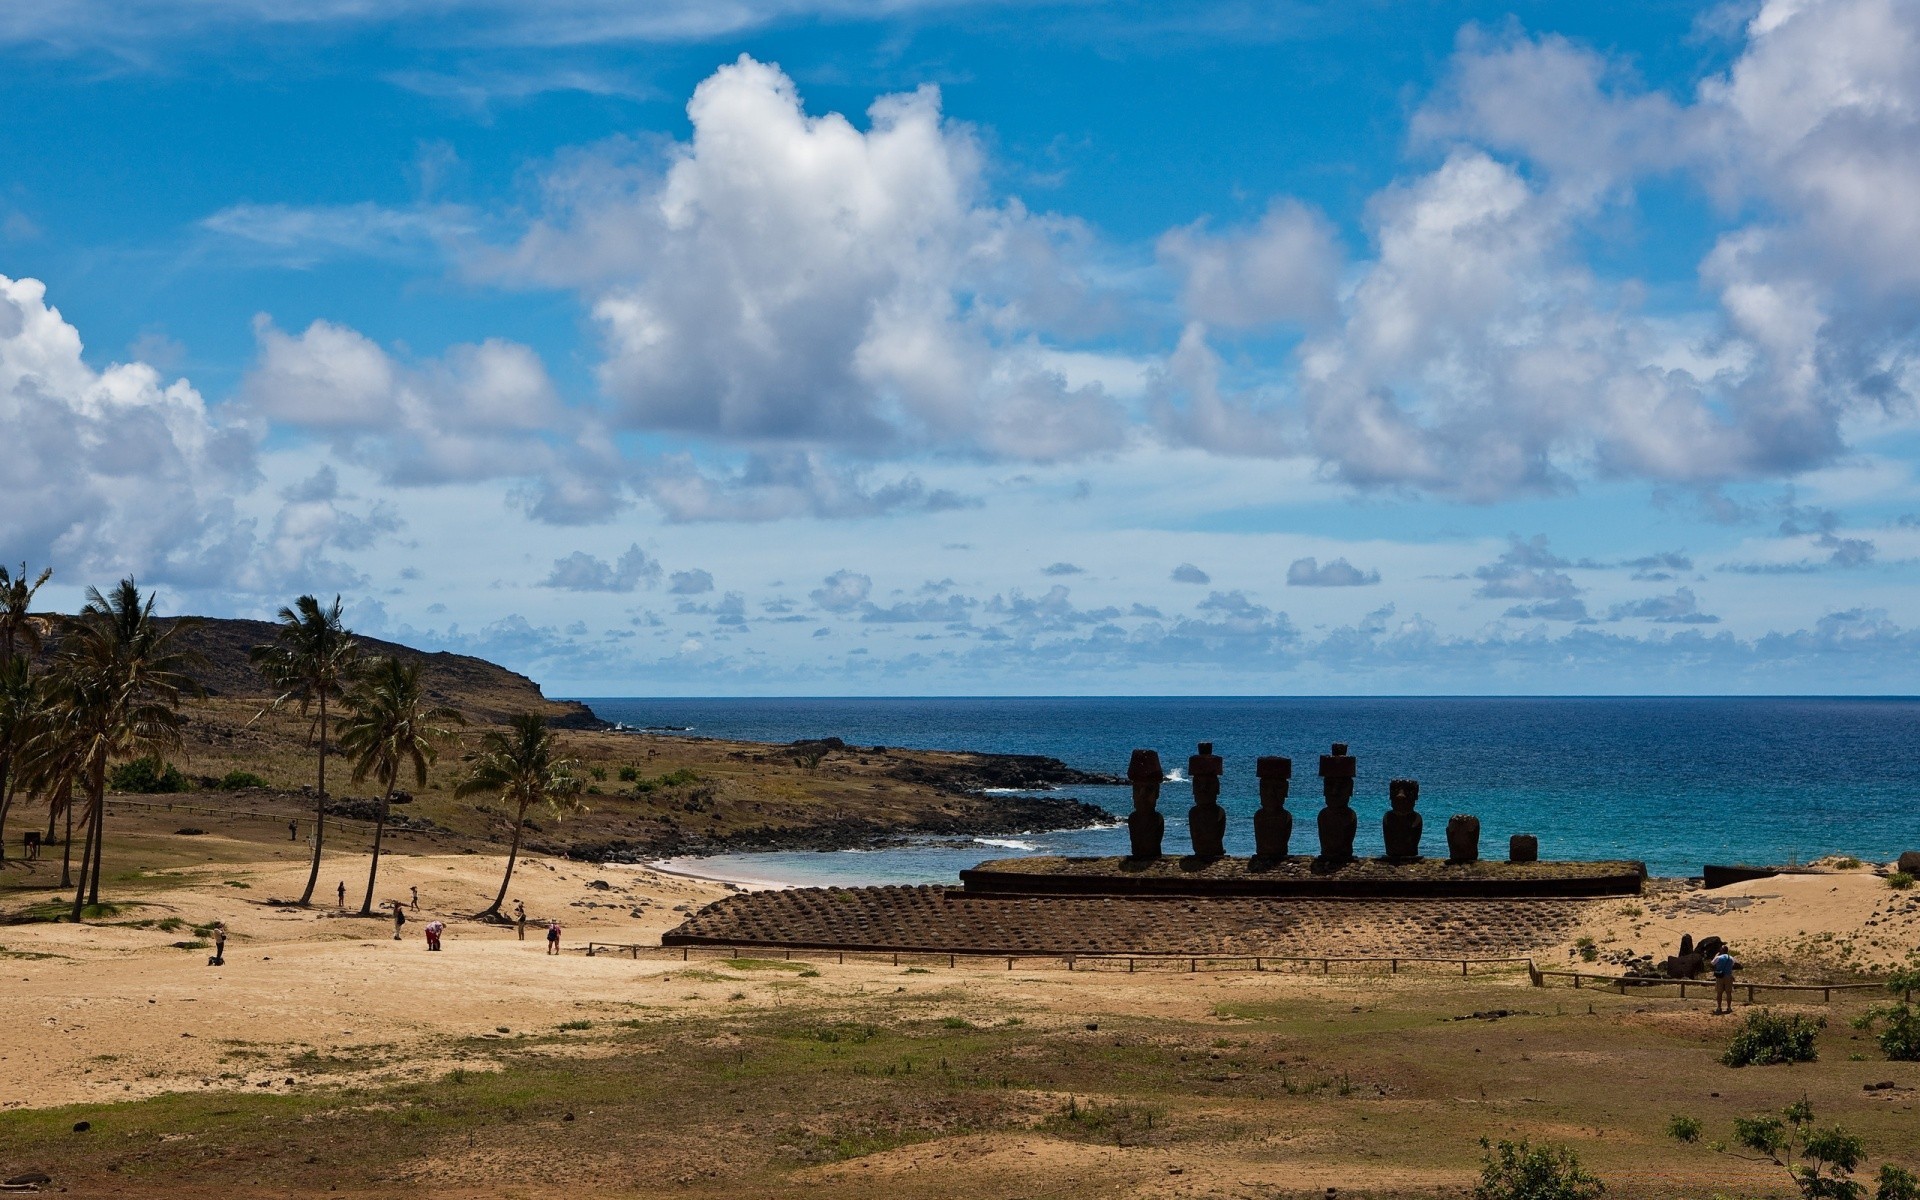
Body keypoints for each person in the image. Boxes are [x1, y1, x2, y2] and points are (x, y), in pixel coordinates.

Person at [1712, 945, 1741, 1014]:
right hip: (1728, 976)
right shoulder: (1731, 958)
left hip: (1720, 976)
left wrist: (1716, 956)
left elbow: (1712, 963)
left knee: (1719, 993)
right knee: (1728, 993)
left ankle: (1719, 1007)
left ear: (1721, 950)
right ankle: (1729, 1007)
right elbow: (1733, 964)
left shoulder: (1718, 957)